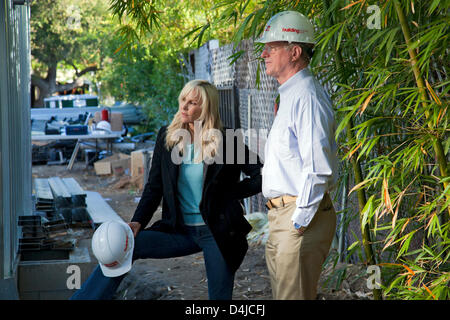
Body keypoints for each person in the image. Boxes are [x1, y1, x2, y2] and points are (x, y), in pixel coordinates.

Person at [71, 79, 262, 300]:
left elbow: (259, 175)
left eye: (192, 102)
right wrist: (137, 221)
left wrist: (230, 193)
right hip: (178, 230)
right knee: (123, 248)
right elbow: (154, 187)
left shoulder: (227, 140)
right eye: (183, 100)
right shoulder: (167, 137)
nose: (184, 106)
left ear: (206, 107)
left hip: (216, 232)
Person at [258, 11, 338, 300]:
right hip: (284, 217)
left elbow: (318, 168)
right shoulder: (291, 94)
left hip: (299, 217)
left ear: (294, 52)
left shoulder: (307, 97)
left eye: (271, 46)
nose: (263, 53)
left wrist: (298, 222)